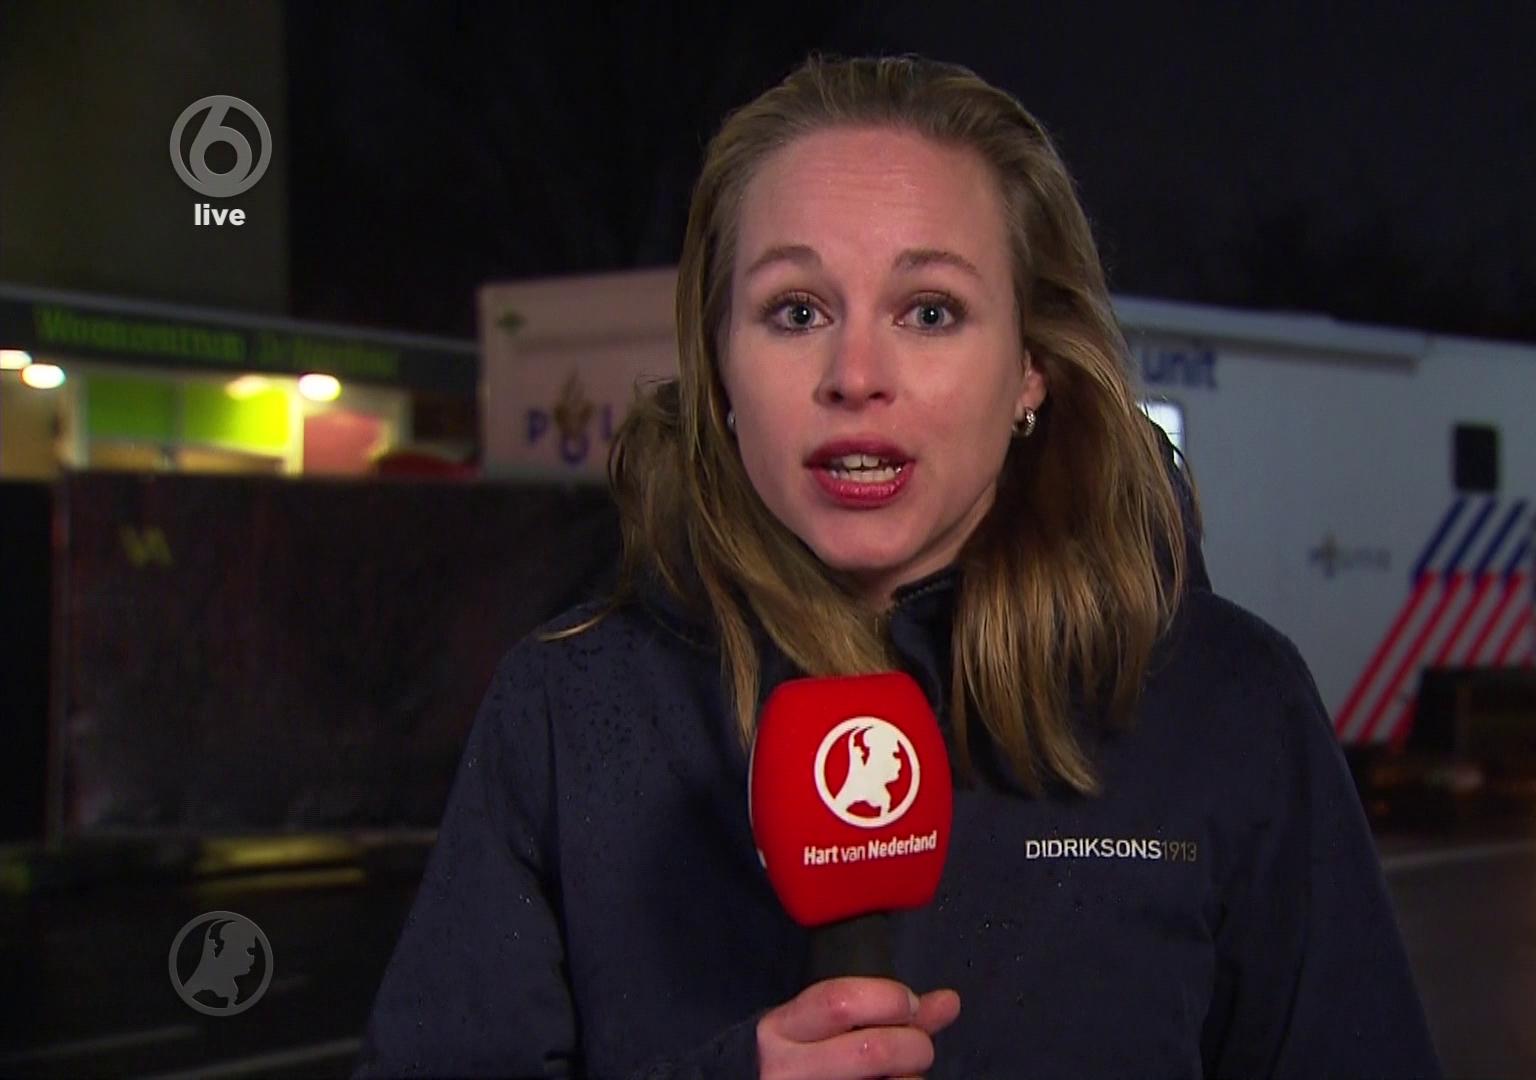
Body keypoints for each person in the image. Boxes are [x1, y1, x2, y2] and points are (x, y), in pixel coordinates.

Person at [355, 55, 1437, 1079]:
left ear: (1031, 367)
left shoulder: (1228, 702)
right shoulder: (565, 710)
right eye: (796, 311)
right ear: (720, 367)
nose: (856, 374)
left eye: (930, 312)